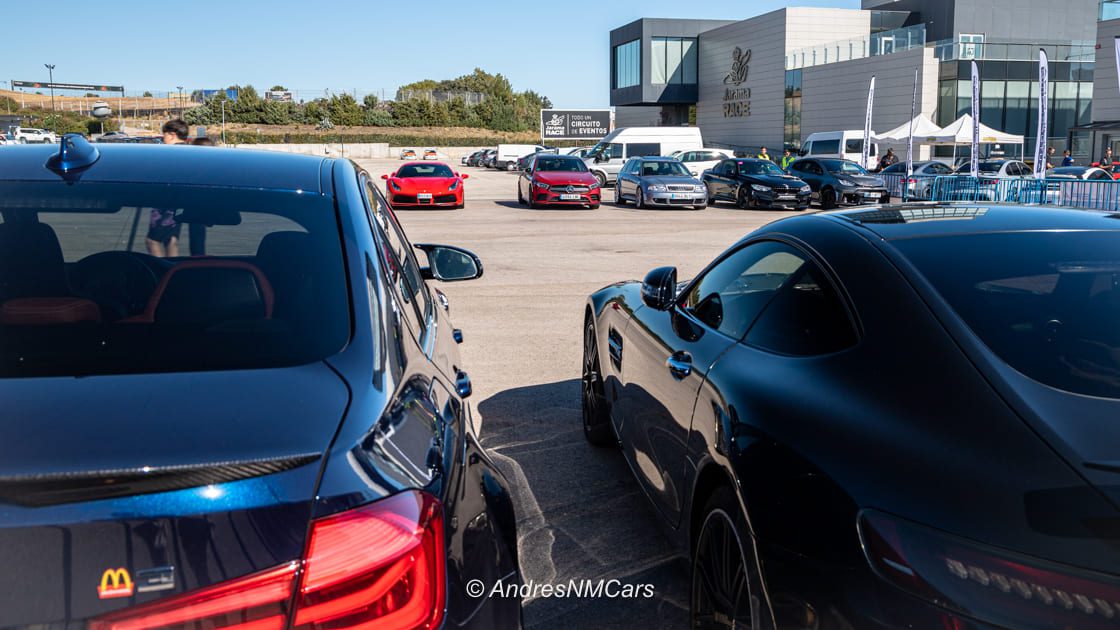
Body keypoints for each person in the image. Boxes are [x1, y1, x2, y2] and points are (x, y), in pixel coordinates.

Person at [146, 119, 189, 257]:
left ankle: (160, 272)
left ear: (171, 135)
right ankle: (172, 269)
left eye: (164, 135)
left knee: (153, 240)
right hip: (181, 204)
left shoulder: (168, 155)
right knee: (172, 240)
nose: (163, 139)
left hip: (165, 206)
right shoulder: (192, 152)